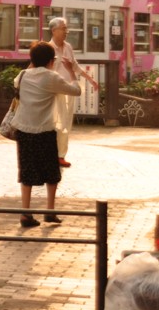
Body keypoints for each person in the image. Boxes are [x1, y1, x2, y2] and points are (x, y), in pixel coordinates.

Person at [14, 40, 81, 227]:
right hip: (44, 130)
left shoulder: (22, 75)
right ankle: (50, 211)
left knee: (26, 171)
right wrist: (71, 71)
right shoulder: (51, 78)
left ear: (32, 59)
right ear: (51, 61)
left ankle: (25, 213)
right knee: (52, 172)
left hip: (24, 130)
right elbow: (76, 91)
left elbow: (17, 82)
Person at [46, 16, 99, 168]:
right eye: (63, 28)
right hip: (53, 92)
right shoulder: (48, 48)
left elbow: (74, 66)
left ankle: (61, 155)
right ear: (54, 30)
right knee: (53, 124)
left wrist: (90, 79)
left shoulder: (68, 47)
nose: (66, 31)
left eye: (66, 28)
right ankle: (51, 155)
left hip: (68, 90)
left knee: (66, 124)